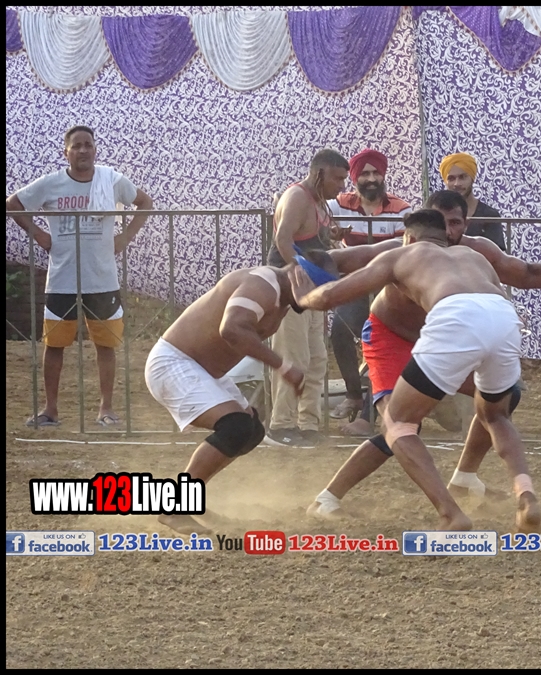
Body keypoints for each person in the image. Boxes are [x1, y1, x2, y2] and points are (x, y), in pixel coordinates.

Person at [305, 190, 541, 519]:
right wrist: (299, 262)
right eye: (443, 222)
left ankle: (464, 480)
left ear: (465, 223)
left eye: (456, 223)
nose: (449, 231)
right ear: (428, 223)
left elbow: (527, 273)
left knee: (497, 401)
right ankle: (329, 496)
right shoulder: (400, 249)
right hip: (393, 337)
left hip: (449, 334)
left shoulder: (476, 249)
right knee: (402, 424)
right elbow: (344, 260)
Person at [144, 250, 339, 534]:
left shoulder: (281, 293)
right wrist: (283, 366)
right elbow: (232, 329)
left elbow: (363, 255)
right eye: (317, 293)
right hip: (175, 362)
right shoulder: (263, 285)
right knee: (235, 427)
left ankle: (190, 499)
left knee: (251, 431)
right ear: (299, 275)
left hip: (201, 369)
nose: (316, 302)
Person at [6, 125, 154, 428]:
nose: (83, 150)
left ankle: (106, 409)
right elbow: (13, 204)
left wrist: (125, 236)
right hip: (62, 279)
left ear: (95, 150)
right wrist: (39, 235)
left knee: (106, 345)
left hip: (102, 279)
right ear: (66, 152)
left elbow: (145, 202)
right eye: (77, 146)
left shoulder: (111, 181)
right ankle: (50, 410)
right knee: (54, 345)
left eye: (88, 145)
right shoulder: (51, 183)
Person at [263, 149, 350, 448]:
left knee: (316, 359)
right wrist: (300, 275)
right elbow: (282, 240)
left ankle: (308, 423)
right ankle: (280, 425)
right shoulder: (297, 197)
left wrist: (332, 236)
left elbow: (309, 238)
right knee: (293, 356)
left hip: (309, 289)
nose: (342, 185)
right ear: (319, 173)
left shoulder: (319, 201)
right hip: (290, 289)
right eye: (337, 178)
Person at [327, 148, 412, 433]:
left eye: (376, 172)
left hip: (389, 289)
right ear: (354, 178)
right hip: (356, 285)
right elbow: (312, 209)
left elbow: (405, 253)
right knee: (339, 332)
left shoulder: (401, 210)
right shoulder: (338, 205)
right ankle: (353, 393)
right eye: (365, 173)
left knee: (380, 343)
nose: (372, 178)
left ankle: (368, 415)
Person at [440, 152, 506, 251]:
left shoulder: (489, 215)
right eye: (451, 178)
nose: (457, 183)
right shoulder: (437, 214)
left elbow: (497, 256)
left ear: (472, 178)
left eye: (462, 177)